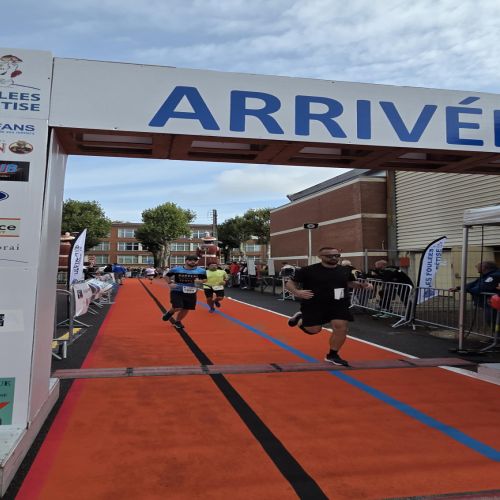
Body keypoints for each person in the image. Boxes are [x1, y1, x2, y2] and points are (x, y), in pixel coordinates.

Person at [285, 247, 373, 366]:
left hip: (338, 303)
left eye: (337, 255)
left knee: (341, 327)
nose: (334, 258)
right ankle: (300, 318)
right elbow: (289, 283)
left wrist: (364, 286)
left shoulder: (345, 270)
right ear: (320, 257)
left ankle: (332, 355)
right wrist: (297, 292)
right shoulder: (308, 270)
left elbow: (350, 283)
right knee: (314, 330)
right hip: (314, 303)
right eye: (329, 256)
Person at [162, 255, 207, 329]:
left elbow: (205, 279)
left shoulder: (201, 271)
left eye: (195, 260)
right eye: (190, 260)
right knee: (178, 307)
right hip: (177, 290)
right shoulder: (176, 269)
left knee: (186, 308)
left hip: (191, 291)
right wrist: (170, 283)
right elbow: (166, 276)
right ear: (186, 261)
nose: (193, 262)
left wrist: (200, 281)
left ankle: (178, 321)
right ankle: (170, 312)